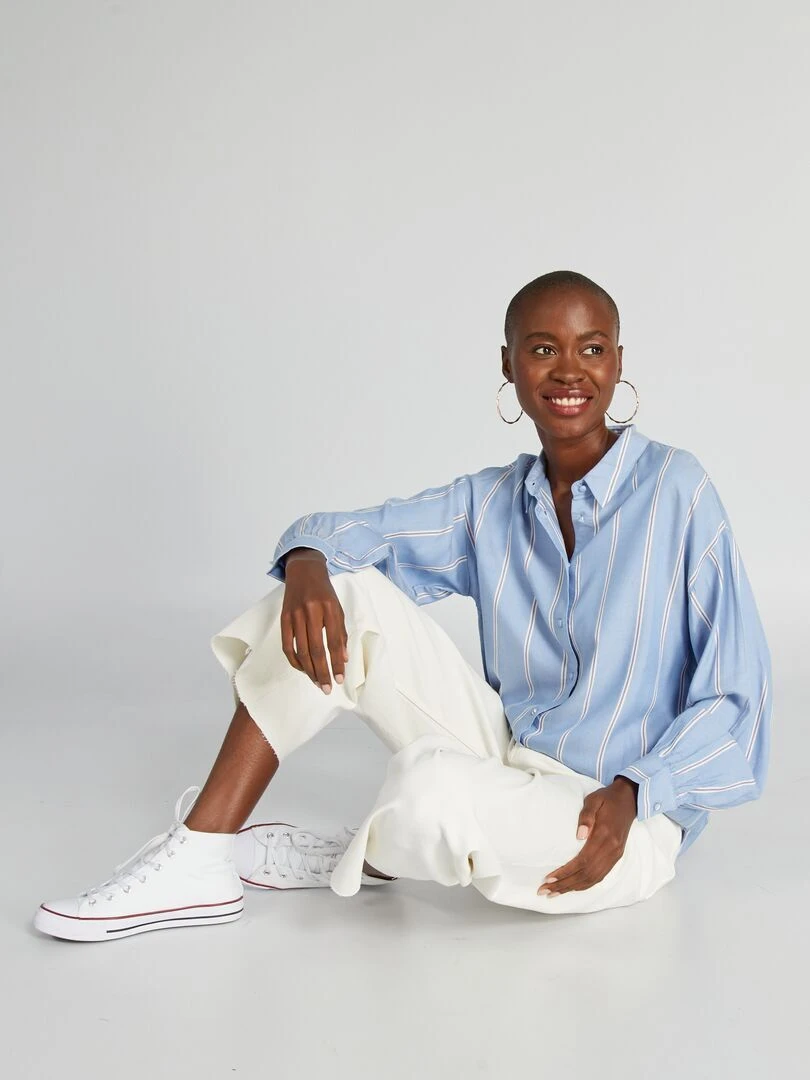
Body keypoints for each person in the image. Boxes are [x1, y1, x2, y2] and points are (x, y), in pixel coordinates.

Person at [33, 270, 772, 941]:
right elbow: (347, 536)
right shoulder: (492, 502)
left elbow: (738, 696)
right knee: (346, 593)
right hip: (511, 756)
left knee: (429, 791)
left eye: (593, 349)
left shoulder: (677, 489)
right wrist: (307, 564)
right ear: (509, 365)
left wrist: (639, 790)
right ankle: (199, 853)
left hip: (618, 815)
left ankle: (365, 853)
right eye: (543, 349)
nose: (570, 370)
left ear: (618, 362)